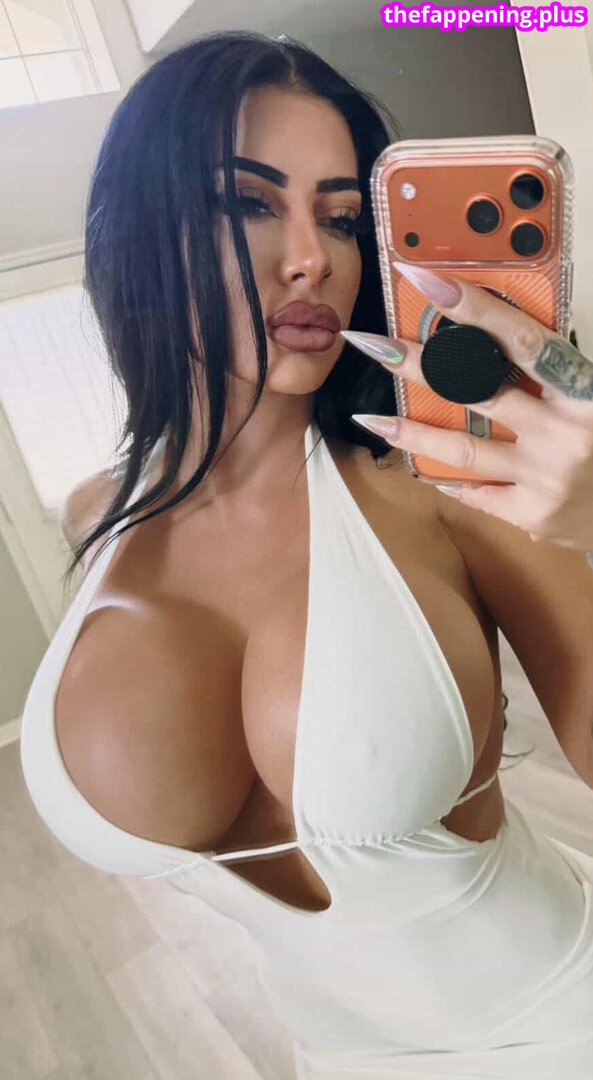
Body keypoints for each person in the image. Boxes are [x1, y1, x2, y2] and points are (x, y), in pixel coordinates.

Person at [19, 30, 593, 1079]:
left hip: (559, 1027)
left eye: (339, 219)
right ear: (140, 226)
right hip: (331, 1057)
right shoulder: (94, 513)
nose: (312, 258)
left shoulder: (445, 488)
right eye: (248, 203)